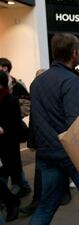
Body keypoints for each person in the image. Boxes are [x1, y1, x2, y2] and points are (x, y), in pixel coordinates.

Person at [28, 32, 79, 225]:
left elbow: (35, 119)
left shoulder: (37, 82)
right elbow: (75, 123)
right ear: (74, 53)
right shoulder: (71, 81)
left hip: (46, 153)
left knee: (46, 206)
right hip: (71, 154)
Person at [0, 57, 32, 198]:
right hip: (4, 131)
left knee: (12, 159)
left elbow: (27, 103)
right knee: (11, 160)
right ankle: (21, 185)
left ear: (5, 68)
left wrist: (16, 116)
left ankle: (18, 188)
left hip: (12, 129)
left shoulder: (16, 85)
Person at [0, 71, 21, 222]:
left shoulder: (11, 100)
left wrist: (3, 130)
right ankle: (10, 200)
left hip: (7, 146)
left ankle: (11, 201)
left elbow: (16, 126)